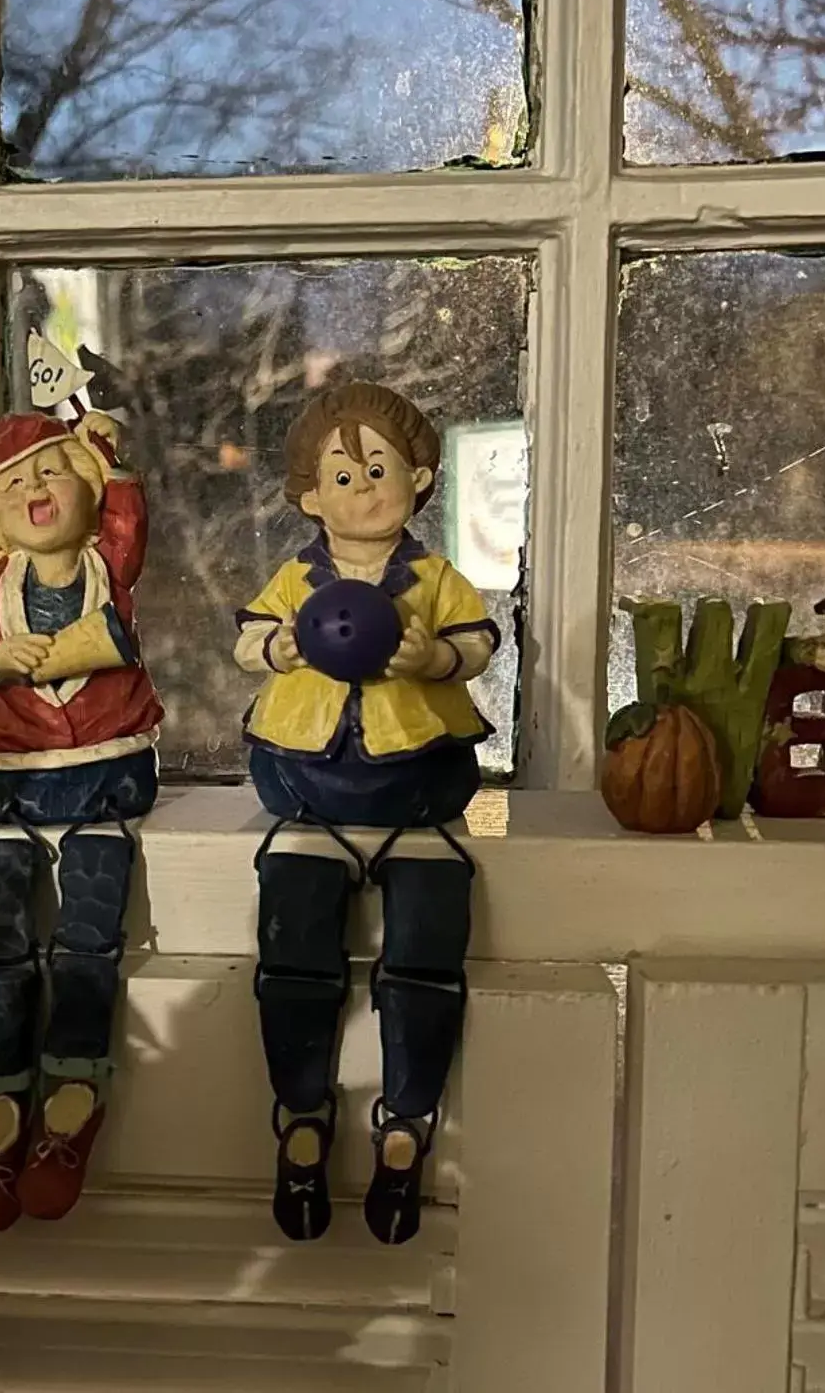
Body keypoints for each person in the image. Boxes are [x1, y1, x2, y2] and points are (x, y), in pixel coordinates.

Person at [234, 382, 496, 1246]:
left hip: (414, 788)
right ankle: (301, 1116)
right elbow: (247, 640)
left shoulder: (433, 577)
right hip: (309, 783)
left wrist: (435, 656)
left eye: (379, 470)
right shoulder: (297, 576)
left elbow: (481, 642)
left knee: (423, 964)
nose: (363, 489)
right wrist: (282, 642)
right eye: (342, 477)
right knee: (296, 957)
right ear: (310, 495)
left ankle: (407, 1124)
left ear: (420, 478)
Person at [0, 409, 163, 1232]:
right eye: (14, 483)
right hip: (9, 783)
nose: (35, 490)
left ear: (91, 496)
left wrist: (107, 449)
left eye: (53, 472)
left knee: (91, 932)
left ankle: (73, 1088)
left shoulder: (109, 570)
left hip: (103, 776)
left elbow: (134, 512)